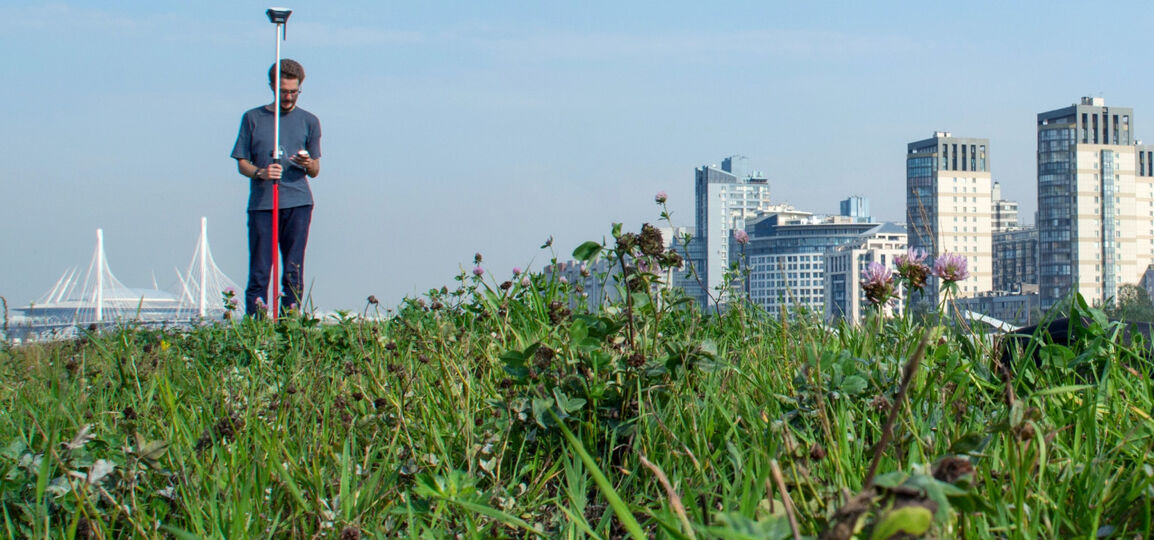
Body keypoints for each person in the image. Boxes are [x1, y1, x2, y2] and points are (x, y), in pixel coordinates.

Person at [231, 59, 322, 317]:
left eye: (294, 92)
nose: (289, 97)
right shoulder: (252, 119)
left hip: (298, 203)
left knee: (293, 269)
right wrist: (261, 172)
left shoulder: (310, 121)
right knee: (260, 269)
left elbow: (315, 170)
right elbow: (242, 163)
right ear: (272, 87)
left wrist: (307, 163)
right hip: (263, 204)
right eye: (284, 91)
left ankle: (289, 324)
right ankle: (256, 326)